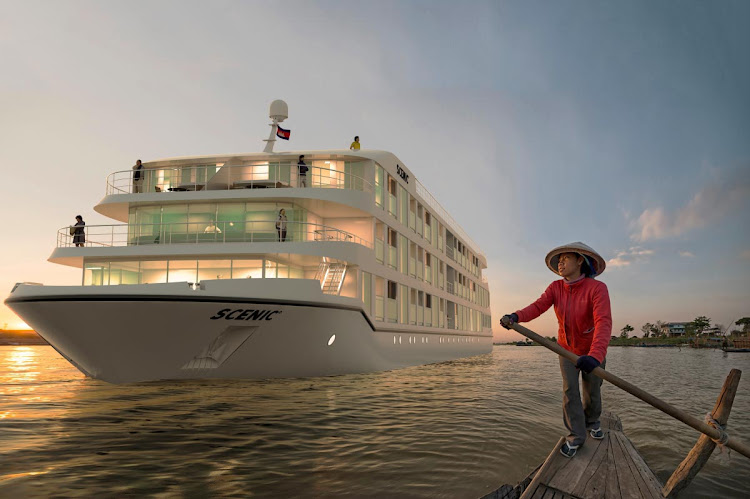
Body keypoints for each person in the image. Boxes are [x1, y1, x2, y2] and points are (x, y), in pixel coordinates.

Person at [501, 242, 611, 458]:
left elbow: (603, 322)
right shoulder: (555, 288)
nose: (560, 263)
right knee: (570, 391)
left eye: (565, 258)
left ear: (580, 260)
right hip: (566, 350)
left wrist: (595, 356)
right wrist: (516, 317)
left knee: (592, 391)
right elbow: (538, 306)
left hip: (592, 351)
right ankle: (576, 436)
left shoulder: (597, 288)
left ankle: (592, 422)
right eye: (558, 260)